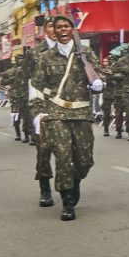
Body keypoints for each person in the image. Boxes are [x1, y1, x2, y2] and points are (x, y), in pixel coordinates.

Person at [29, 15, 104, 221]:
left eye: (66, 26)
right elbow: (35, 86)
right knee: (63, 158)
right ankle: (67, 201)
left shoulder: (85, 53)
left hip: (81, 113)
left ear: (72, 29)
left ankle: (75, 182)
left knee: (84, 160)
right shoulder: (45, 57)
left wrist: (98, 83)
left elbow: (98, 74)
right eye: (59, 26)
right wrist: (37, 113)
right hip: (57, 114)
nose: (62, 30)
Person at [25, 17, 57, 205]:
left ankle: (68, 188)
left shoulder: (73, 50)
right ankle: (45, 189)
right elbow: (26, 77)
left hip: (66, 105)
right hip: (42, 104)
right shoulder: (36, 52)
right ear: (45, 30)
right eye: (51, 26)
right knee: (44, 149)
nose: (56, 29)